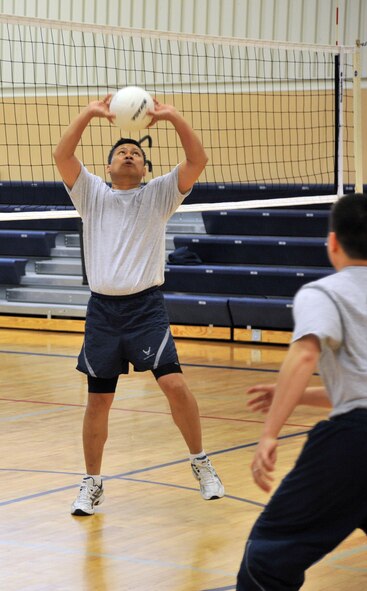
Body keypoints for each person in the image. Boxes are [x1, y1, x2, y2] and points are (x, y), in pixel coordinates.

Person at [237, 193, 367, 589]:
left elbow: (305, 355)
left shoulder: (323, 293)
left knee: (266, 560)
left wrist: (270, 433)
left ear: (332, 242)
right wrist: (294, 394)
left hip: (359, 444)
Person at [53, 94, 224, 516]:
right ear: (109, 167)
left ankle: (201, 463)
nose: (128, 155)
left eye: (136, 154)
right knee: (98, 401)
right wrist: (91, 113)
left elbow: (198, 159)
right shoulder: (91, 193)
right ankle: (91, 484)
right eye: (121, 152)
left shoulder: (159, 195)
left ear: (145, 169)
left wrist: (173, 116)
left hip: (145, 308)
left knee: (174, 384)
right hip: (103, 313)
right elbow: (62, 153)